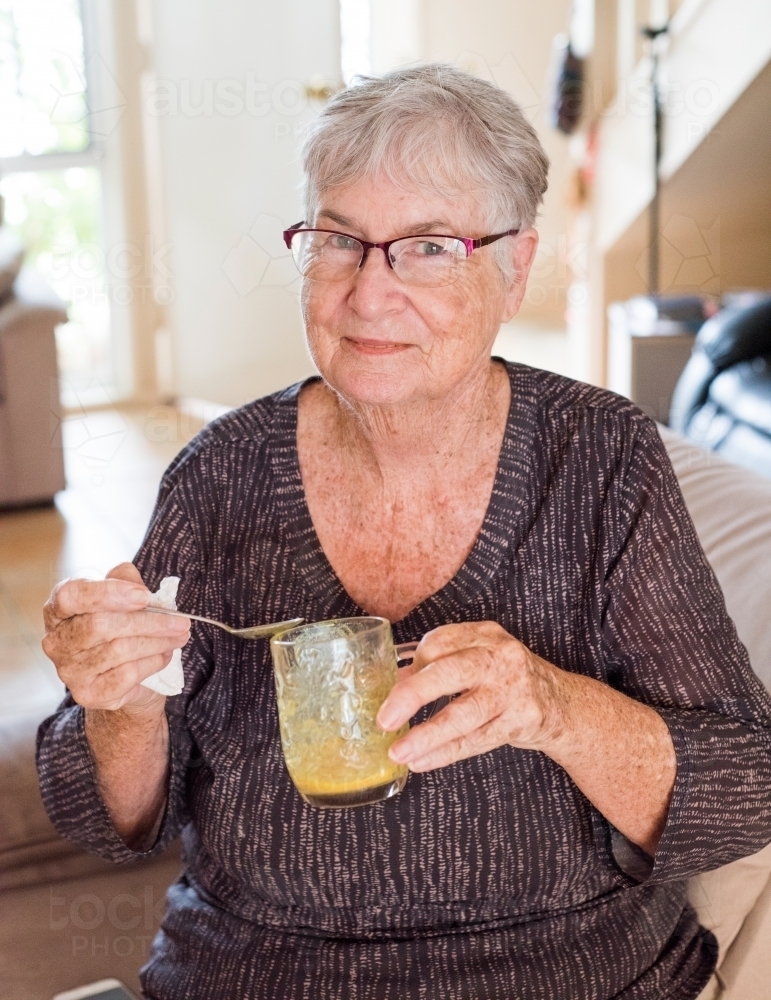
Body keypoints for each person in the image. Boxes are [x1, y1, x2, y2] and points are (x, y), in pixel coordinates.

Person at [38, 65, 771, 1000]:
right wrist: (120, 703)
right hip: (252, 976)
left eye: (427, 247)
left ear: (513, 267)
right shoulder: (218, 476)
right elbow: (110, 819)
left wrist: (555, 708)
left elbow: (742, 789)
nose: (369, 293)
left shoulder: (598, 459)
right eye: (340, 240)